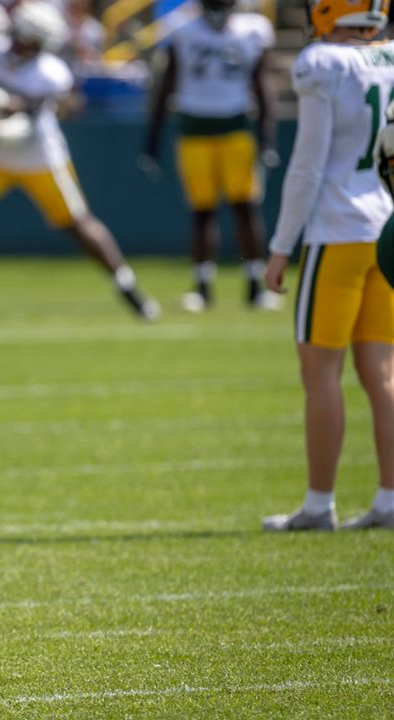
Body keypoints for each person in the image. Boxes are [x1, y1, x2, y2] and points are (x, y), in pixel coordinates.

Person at [262, 0, 394, 532]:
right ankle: (389, 499)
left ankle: (319, 504)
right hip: (385, 231)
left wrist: (279, 245)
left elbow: (308, 162)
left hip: (336, 231)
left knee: (320, 372)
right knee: (382, 373)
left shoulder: (324, 62)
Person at [0, 0, 160, 321]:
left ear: (44, 46)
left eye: (30, 42)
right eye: (20, 36)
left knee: (77, 222)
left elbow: (24, 116)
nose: (21, 45)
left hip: (39, 156)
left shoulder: (51, 73)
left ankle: (129, 289)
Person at [141, 0, 280, 312]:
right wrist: (152, 137)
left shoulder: (253, 30)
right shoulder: (182, 29)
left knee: (244, 208)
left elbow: (262, 85)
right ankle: (203, 288)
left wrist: (267, 136)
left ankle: (254, 286)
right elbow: (167, 84)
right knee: (202, 211)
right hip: (194, 128)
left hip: (236, 127)